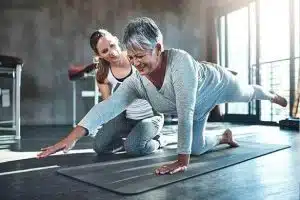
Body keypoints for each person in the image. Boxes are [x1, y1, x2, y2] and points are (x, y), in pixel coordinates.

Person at [38, 17, 288, 176]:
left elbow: (185, 112)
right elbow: (110, 105)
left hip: (215, 85)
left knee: (246, 93)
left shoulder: (179, 64)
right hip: (196, 105)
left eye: (141, 56)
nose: (136, 63)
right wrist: (71, 138)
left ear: (158, 48)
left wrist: (181, 160)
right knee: (198, 148)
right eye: (132, 57)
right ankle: (224, 136)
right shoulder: (137, 79)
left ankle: (269, 93)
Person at [37, 29, 165, 158]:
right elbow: (106, 108)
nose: (112, 53)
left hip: (150, 116)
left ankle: (158, 141)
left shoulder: (136, 57)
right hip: (126, 117)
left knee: (133, 148)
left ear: (116, 39)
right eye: (105, 51)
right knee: (100, 146)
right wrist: (71, 138)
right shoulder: (103, 74)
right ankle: (130, 140)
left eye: (112, 45)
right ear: (99, 55)